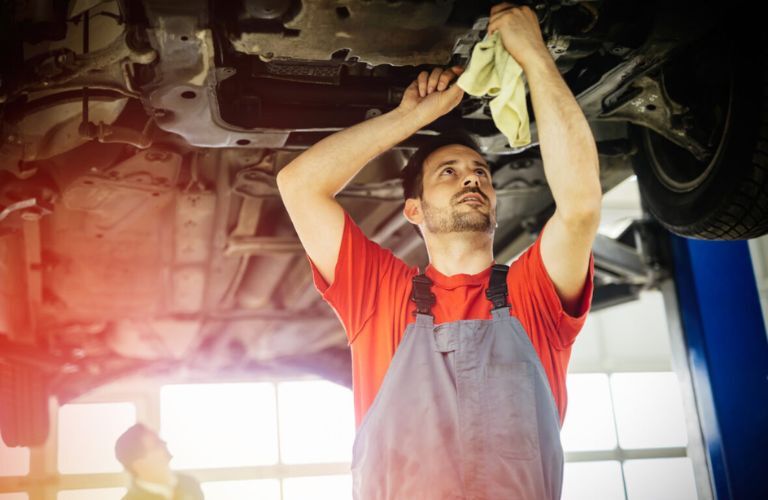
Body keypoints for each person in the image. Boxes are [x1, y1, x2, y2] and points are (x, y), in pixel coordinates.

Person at [277, 3, 601, 499]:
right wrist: (411, 118)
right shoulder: (380, 296)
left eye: (480, 172)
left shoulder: (533, 292)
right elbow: (298, 185)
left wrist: (533, 54)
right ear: (414, 210)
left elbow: (579, 205)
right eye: (447, 172)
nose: (472, 176)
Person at [114, 423, 204, 500]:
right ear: (140, 464)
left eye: (160, 440)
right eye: (156, 444)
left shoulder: (190, 483)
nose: (164, 443)